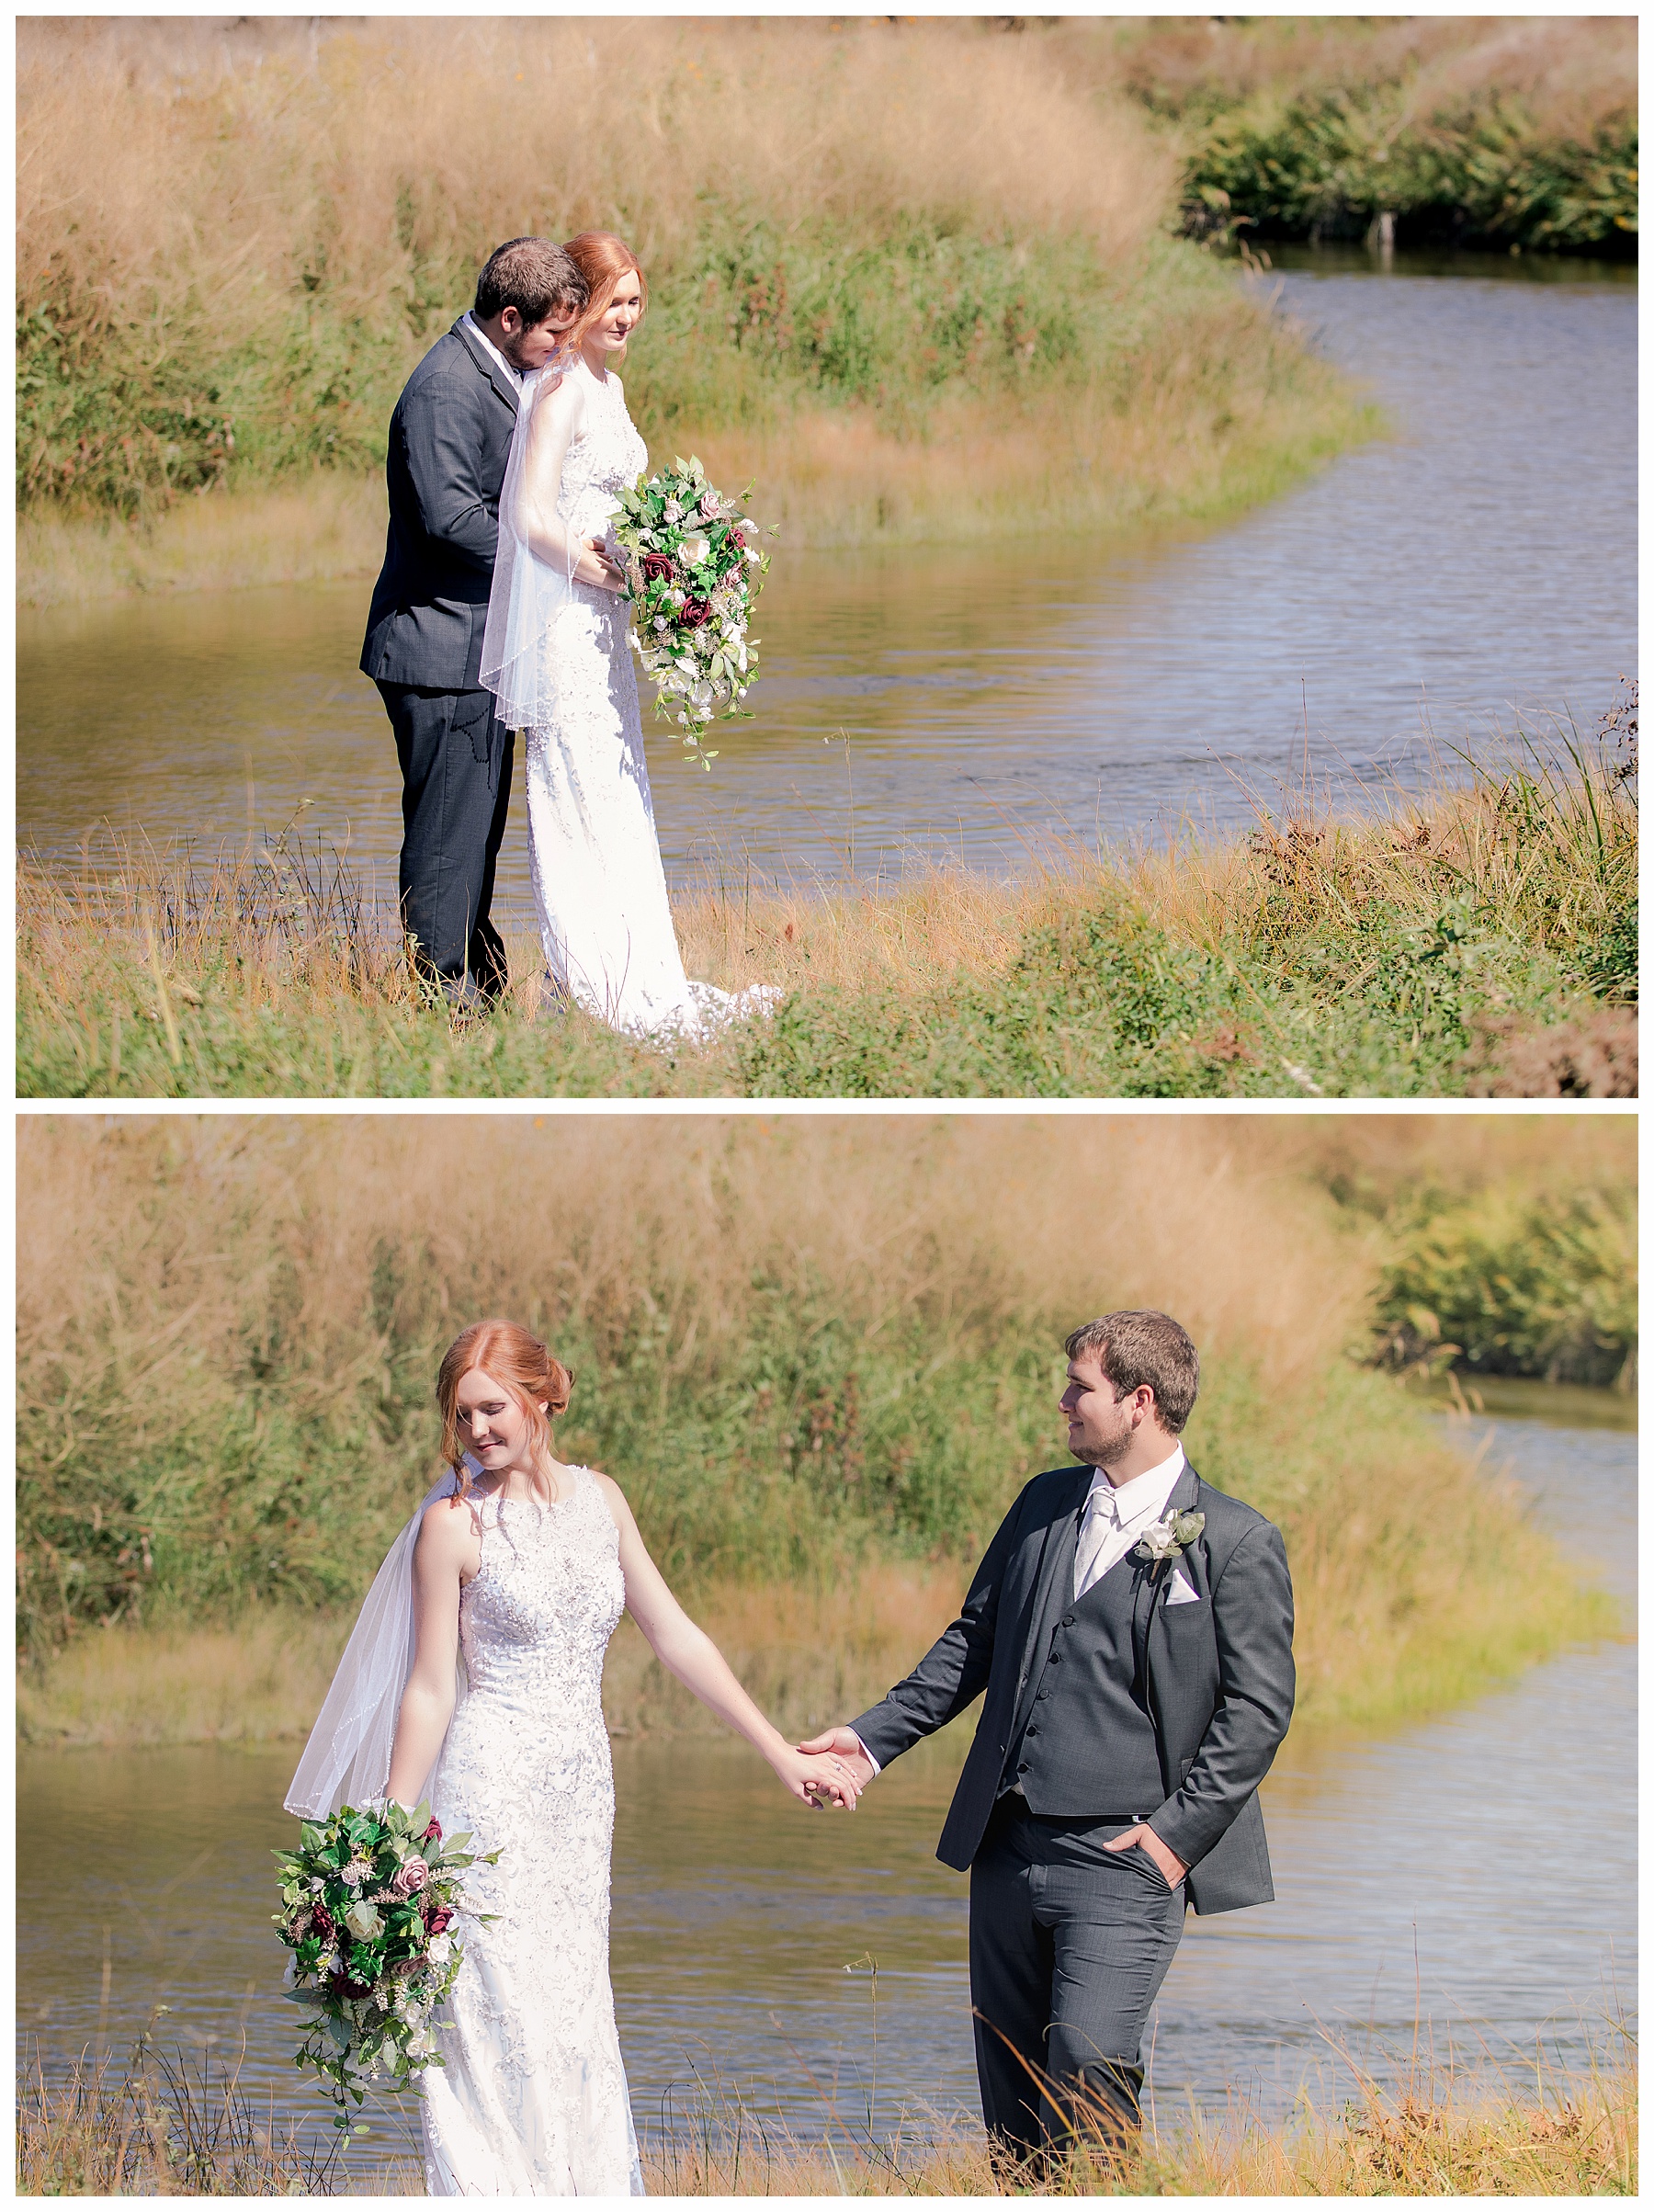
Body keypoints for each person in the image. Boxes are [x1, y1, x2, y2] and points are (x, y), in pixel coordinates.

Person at [286, 1319, 859, 2195]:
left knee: (572, 2005)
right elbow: (430, 1687)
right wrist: (388, 1839)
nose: (477, 1430)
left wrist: (780, 1751)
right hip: (490, 1791)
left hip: (580, 1799)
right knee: (493, 2007)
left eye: (492, 1408)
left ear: (539, 1398)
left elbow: (676, 1636)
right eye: (461, 1414)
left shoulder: (602, 1501)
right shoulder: (451, 1525)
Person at [801, 1309, 1296, 2171]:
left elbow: (1257, 1709)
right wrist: (868, 1742)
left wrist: (1173, 1842)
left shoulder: (1235, 1541)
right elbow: (973, 1644)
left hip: (1127, 1857)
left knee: (1090, 2069)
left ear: (1139, 1401)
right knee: (1013, 2094)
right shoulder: (1042, 1503)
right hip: (1006, 1846)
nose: (1064, 1401)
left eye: (1082, 1387)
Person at [480, 230, 776, 1038]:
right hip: (570, 628)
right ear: (581, 305)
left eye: (638, 302)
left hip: (608, 627)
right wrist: (604, 573)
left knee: (619, 792)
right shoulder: (562, 387)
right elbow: (530, 516)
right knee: (580, 793)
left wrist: (679, 560)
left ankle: (645, 971)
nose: (629, 317)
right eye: (616, 301)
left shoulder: (607, 386)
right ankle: (601, 989)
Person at [361, 239, 587, 1013]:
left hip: (477, 648)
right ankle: (441, 1001)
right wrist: (557, 561)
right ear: (511, 316)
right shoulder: (445, 389)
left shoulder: (497, 371)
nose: (562, 349)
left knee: (473, 834)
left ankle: (479, 990)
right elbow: (451, 519)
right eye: (554, 334)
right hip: (438, 651)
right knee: (446, 837)